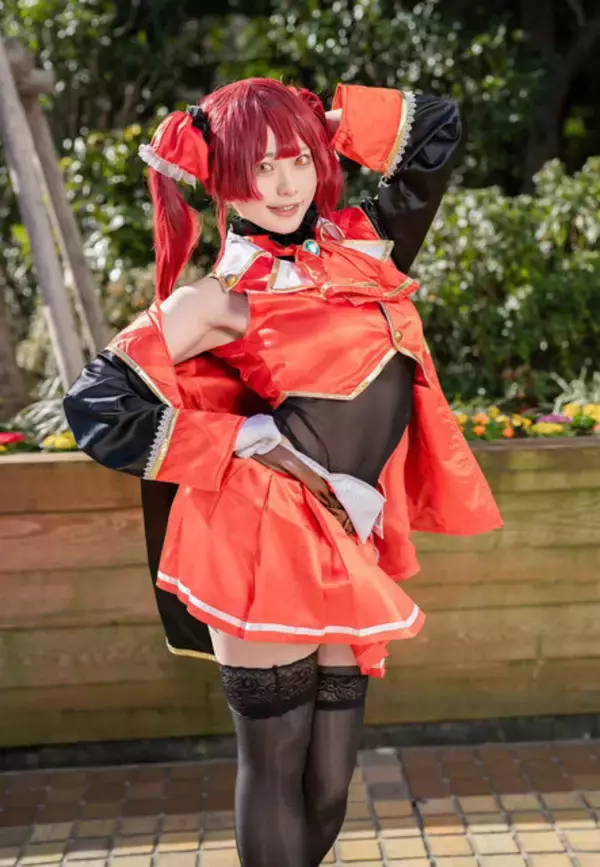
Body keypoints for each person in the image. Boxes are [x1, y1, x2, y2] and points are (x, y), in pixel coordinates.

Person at [64, 77, 502, 867]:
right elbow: (95, 403)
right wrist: (238, 437)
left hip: (340, 528)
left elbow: (439, 125)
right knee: (275, 767)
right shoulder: (218, 298)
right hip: (260, 528)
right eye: (258, 166)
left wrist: (321, 123)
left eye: (297, 160)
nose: (284, 184)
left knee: (328, 781)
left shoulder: (365, 246)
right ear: (224, 178)